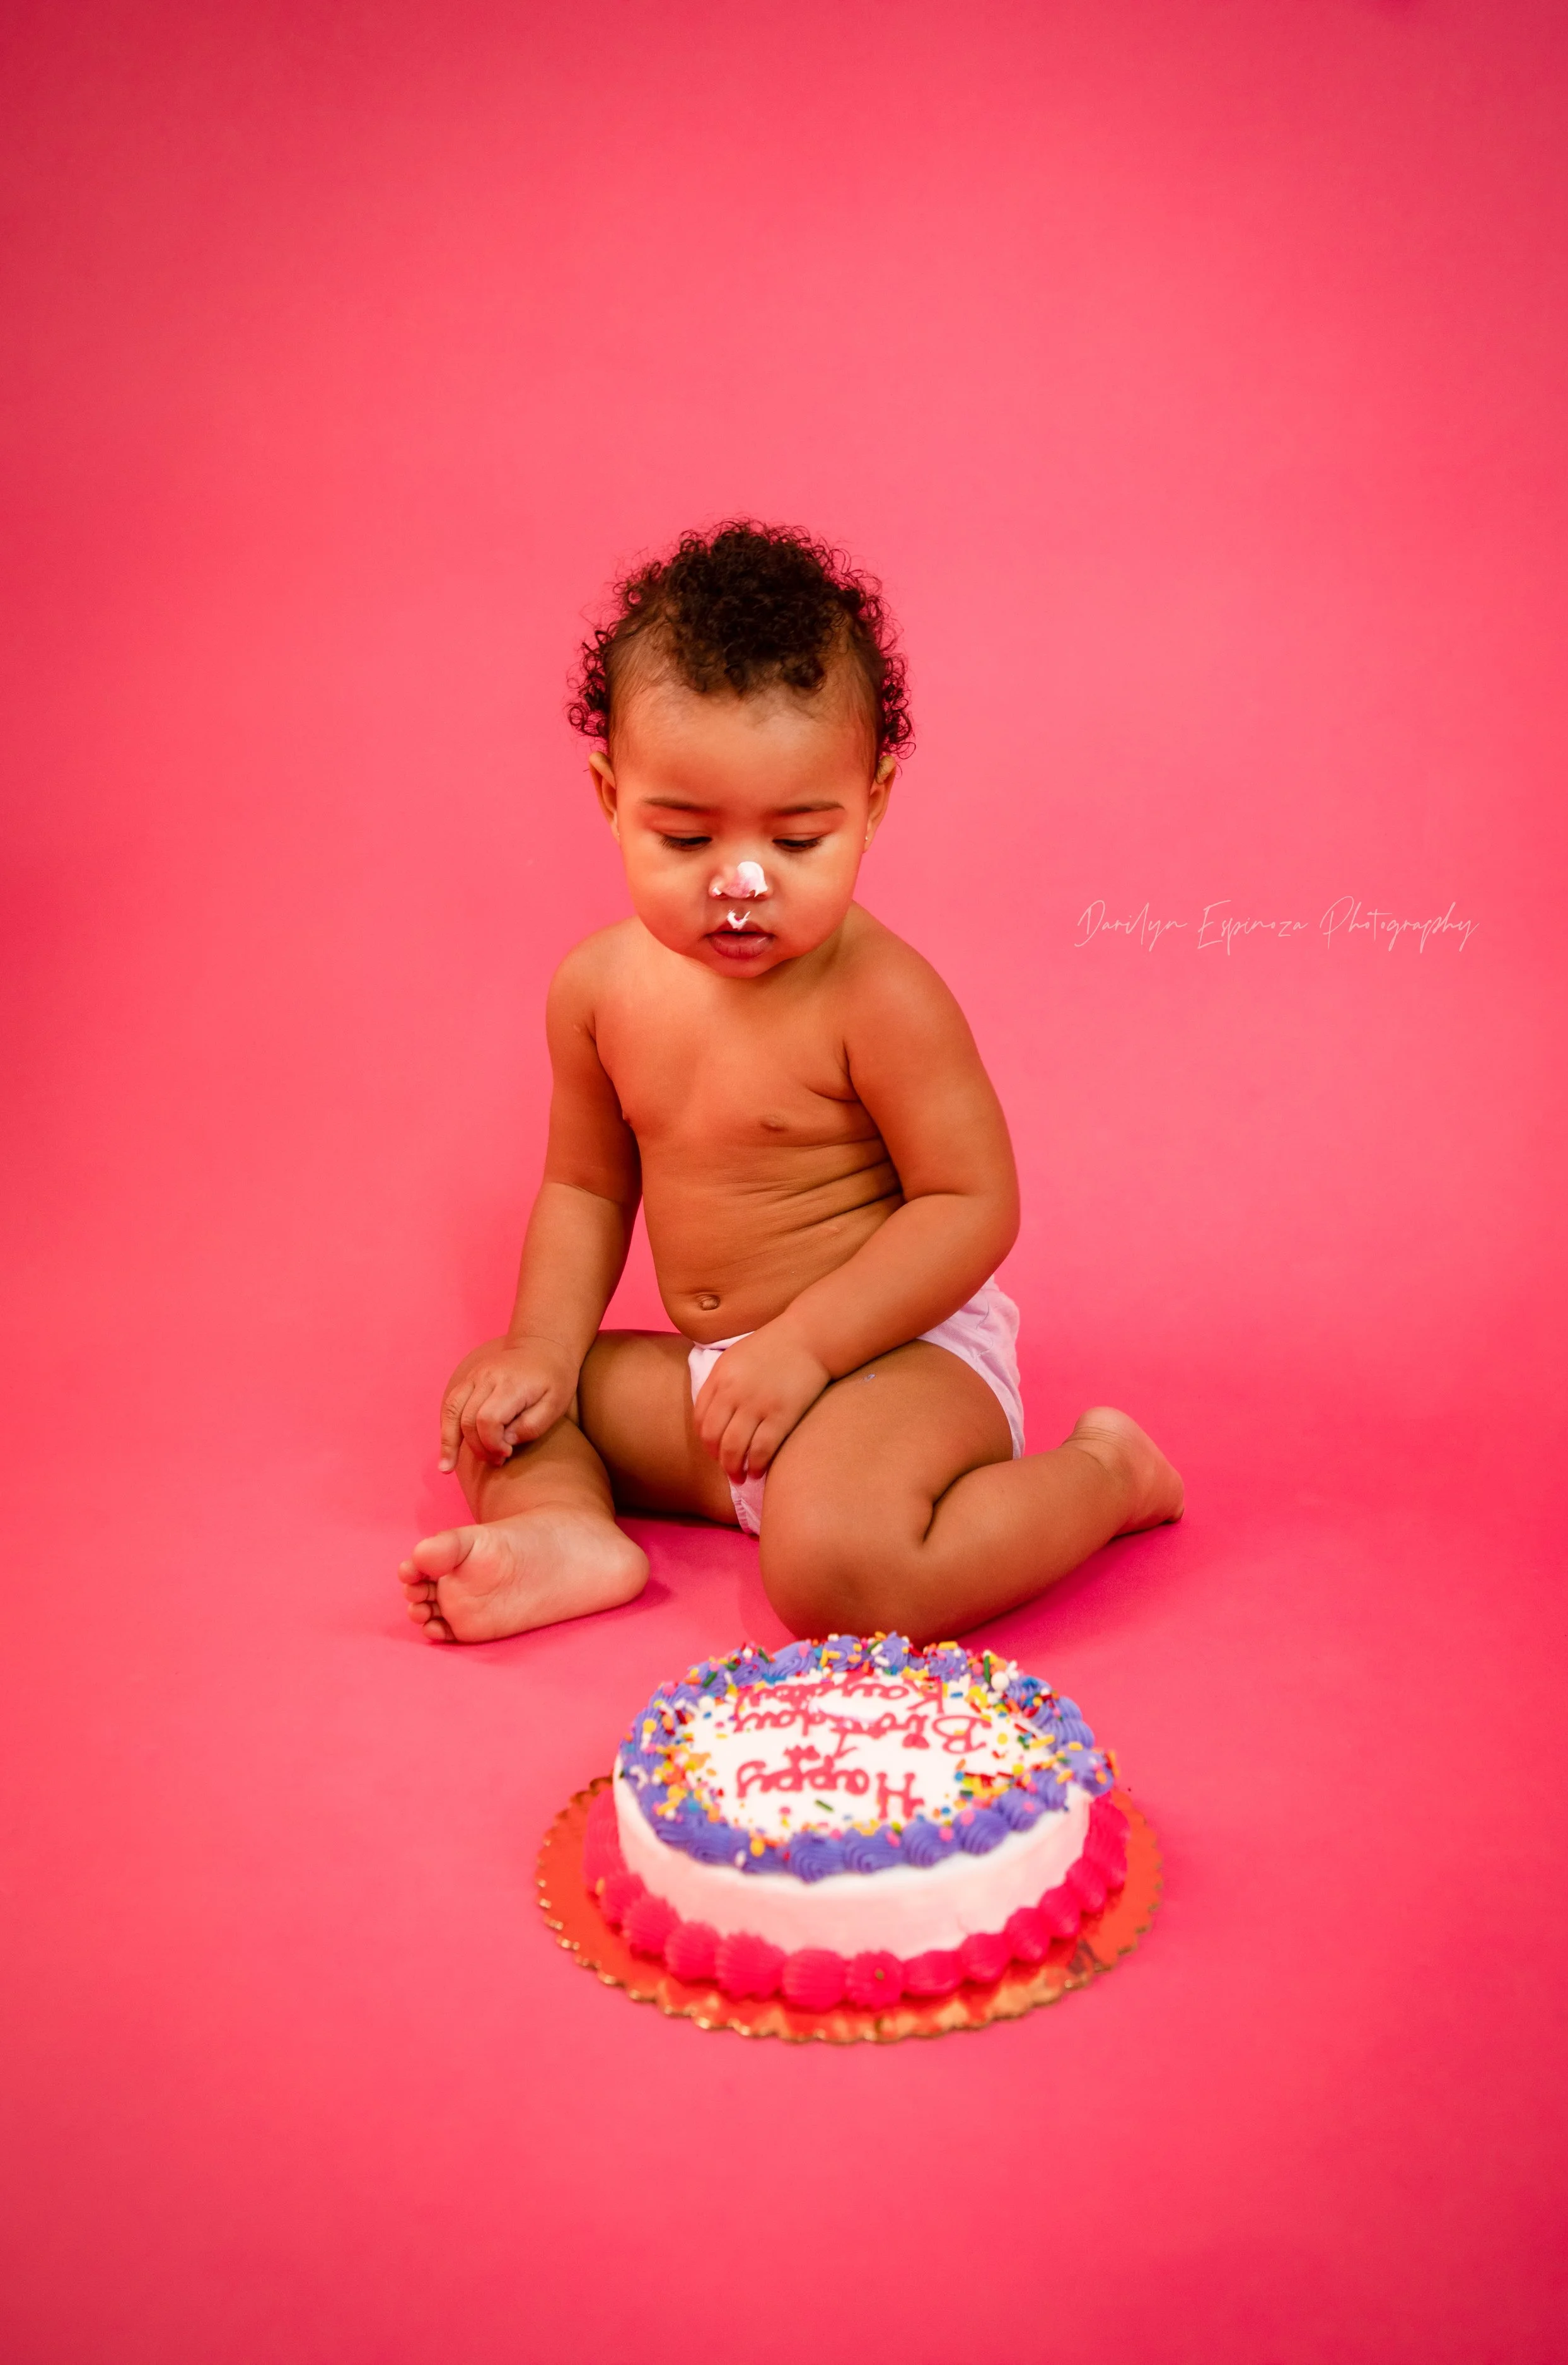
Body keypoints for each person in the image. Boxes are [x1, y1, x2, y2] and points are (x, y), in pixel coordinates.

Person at [399, 523, 1182, 1645]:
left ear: (873, 802)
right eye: (684, 837)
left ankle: (1106, 1472)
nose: (742, 882)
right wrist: (539, 1345)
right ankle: (569, 1533)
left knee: (838, 1573)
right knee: (497, 1408)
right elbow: (586, 1190)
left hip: (889, 1363)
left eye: (801, 837)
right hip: (730, 1391)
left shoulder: (880, 996)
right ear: (611, 796)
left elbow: (973, 1204)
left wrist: (807, 1347)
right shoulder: (596, 991)